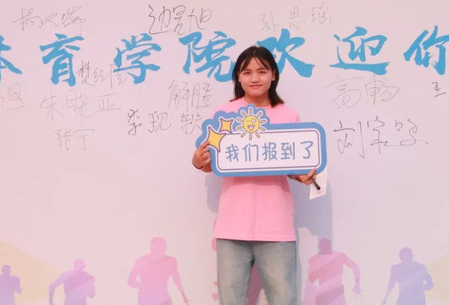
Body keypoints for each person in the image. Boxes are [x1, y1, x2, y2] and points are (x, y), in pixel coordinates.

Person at [192, 45, 317, 305]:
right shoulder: (223, 115)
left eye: (262, 71)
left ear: (274, 75)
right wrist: (198, 161)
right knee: (231, 300)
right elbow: (210, 163)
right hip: (232, 226)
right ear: (238, 77)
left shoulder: (288, 115)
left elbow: (291, 165)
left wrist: (302, 176)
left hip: (276, 226)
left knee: (284, 299)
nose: (255, 78)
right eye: (247, 72)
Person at [128, 237, 189, 304]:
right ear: (151, 247)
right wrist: (142, 286)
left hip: (162, 299)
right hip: (146, 299)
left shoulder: (169, 261)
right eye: (156, 247)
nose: (158, 250)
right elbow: (131, 280)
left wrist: (183, 295)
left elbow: (176, 278)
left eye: (161, 247)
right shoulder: (142, 261)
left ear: (164, 248)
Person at [306, 239, 361, 305]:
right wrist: (357, 284)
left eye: (326, 246)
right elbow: (311, 279)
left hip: (334, 294)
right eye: (324, 246)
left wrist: (357, 283)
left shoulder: (338, 256)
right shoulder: (338, 256)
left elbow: (355, 267)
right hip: (328, 295)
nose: (325, 248)